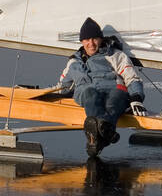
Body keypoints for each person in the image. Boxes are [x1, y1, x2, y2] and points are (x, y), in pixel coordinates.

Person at [57, 17, 147, 157]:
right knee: (89, 94)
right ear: (81, 41)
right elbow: (62, 87)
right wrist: (37, 91)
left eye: (94, 39)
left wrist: (136, 98)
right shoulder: (74, 62)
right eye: (87, 40)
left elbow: (132, 77)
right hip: (88, 93)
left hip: (114, 90)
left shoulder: (116, 55)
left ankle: (96, 141)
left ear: (101, 39)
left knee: (114, 101)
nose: (91, 43)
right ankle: (107, 133)